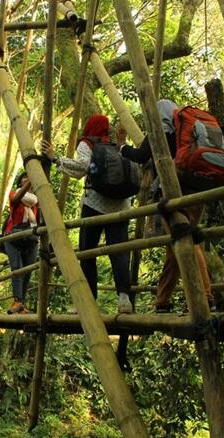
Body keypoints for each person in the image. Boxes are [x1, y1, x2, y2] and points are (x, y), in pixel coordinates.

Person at [117, 99, 215, 313]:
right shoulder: (186, 134)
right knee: (176, 245)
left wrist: (122, 147)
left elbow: (140, 156)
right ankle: (163, 301)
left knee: (187, 241)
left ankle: (206, 297)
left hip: (175, 191)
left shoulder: (160, 131)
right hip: (200, 188)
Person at [43, 114, 133, 314]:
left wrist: (55, 158)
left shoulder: (87, 144)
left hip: (94, 203)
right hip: (121, 206)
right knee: (120, 252)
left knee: (87, 252)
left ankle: (89, 301)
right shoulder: (115, 145)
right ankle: (124, 299)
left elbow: (82, 168)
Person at [4, 172, 39, 314]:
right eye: (24, 180)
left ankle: (21, 304)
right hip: (12, 236)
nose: (27, 181)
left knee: (27, 270)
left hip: (30, 238)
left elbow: (38, 221)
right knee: (17, 268)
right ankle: (17, 301)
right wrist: (29, 183)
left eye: (29, 180)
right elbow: (18, 198)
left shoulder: (36, 203)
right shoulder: (14, 195)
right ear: (20, 183)